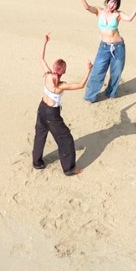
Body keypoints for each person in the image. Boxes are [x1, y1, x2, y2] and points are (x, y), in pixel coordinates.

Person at [32, 33, 93, 176]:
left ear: (54, 67)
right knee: (66, 140)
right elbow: (81, 85)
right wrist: (88, 70)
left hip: (41, 109)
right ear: (64, 72)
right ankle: (69, 169)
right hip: (52, 115)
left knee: (40, 135)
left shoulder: (47, 75)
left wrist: (45, 42)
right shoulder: (61, 85)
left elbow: (41, 59)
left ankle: (37, 162)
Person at [78, 0, 136, 102]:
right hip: (104, 47)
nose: (113, 5)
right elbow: (87, 7)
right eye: (112, 2)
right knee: (97, 71)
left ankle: (111, 92)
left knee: (116, 71)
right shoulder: (99, 11)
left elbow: (129, 19)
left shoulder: (117, 14)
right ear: (108, 1)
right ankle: (90, 96)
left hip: (118, 47)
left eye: (116, 4)